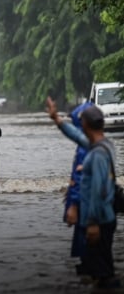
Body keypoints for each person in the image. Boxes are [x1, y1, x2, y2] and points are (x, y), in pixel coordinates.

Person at [46, 96, 120, 289]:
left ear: (85, 125)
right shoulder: (104, 145)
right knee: (98, 269)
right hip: (105, 217)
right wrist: (57, 120)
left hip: (100, 220)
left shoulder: (96, 155)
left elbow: (98, 191)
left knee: (102, 273)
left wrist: (92, 223)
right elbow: (77, 137)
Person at [63, 101, 92, 275]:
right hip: (90, 208)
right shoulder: (95, 143)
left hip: (86, 208)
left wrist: (73, 205)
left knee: (87, 246)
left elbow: (81, 180)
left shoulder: (85, 147)